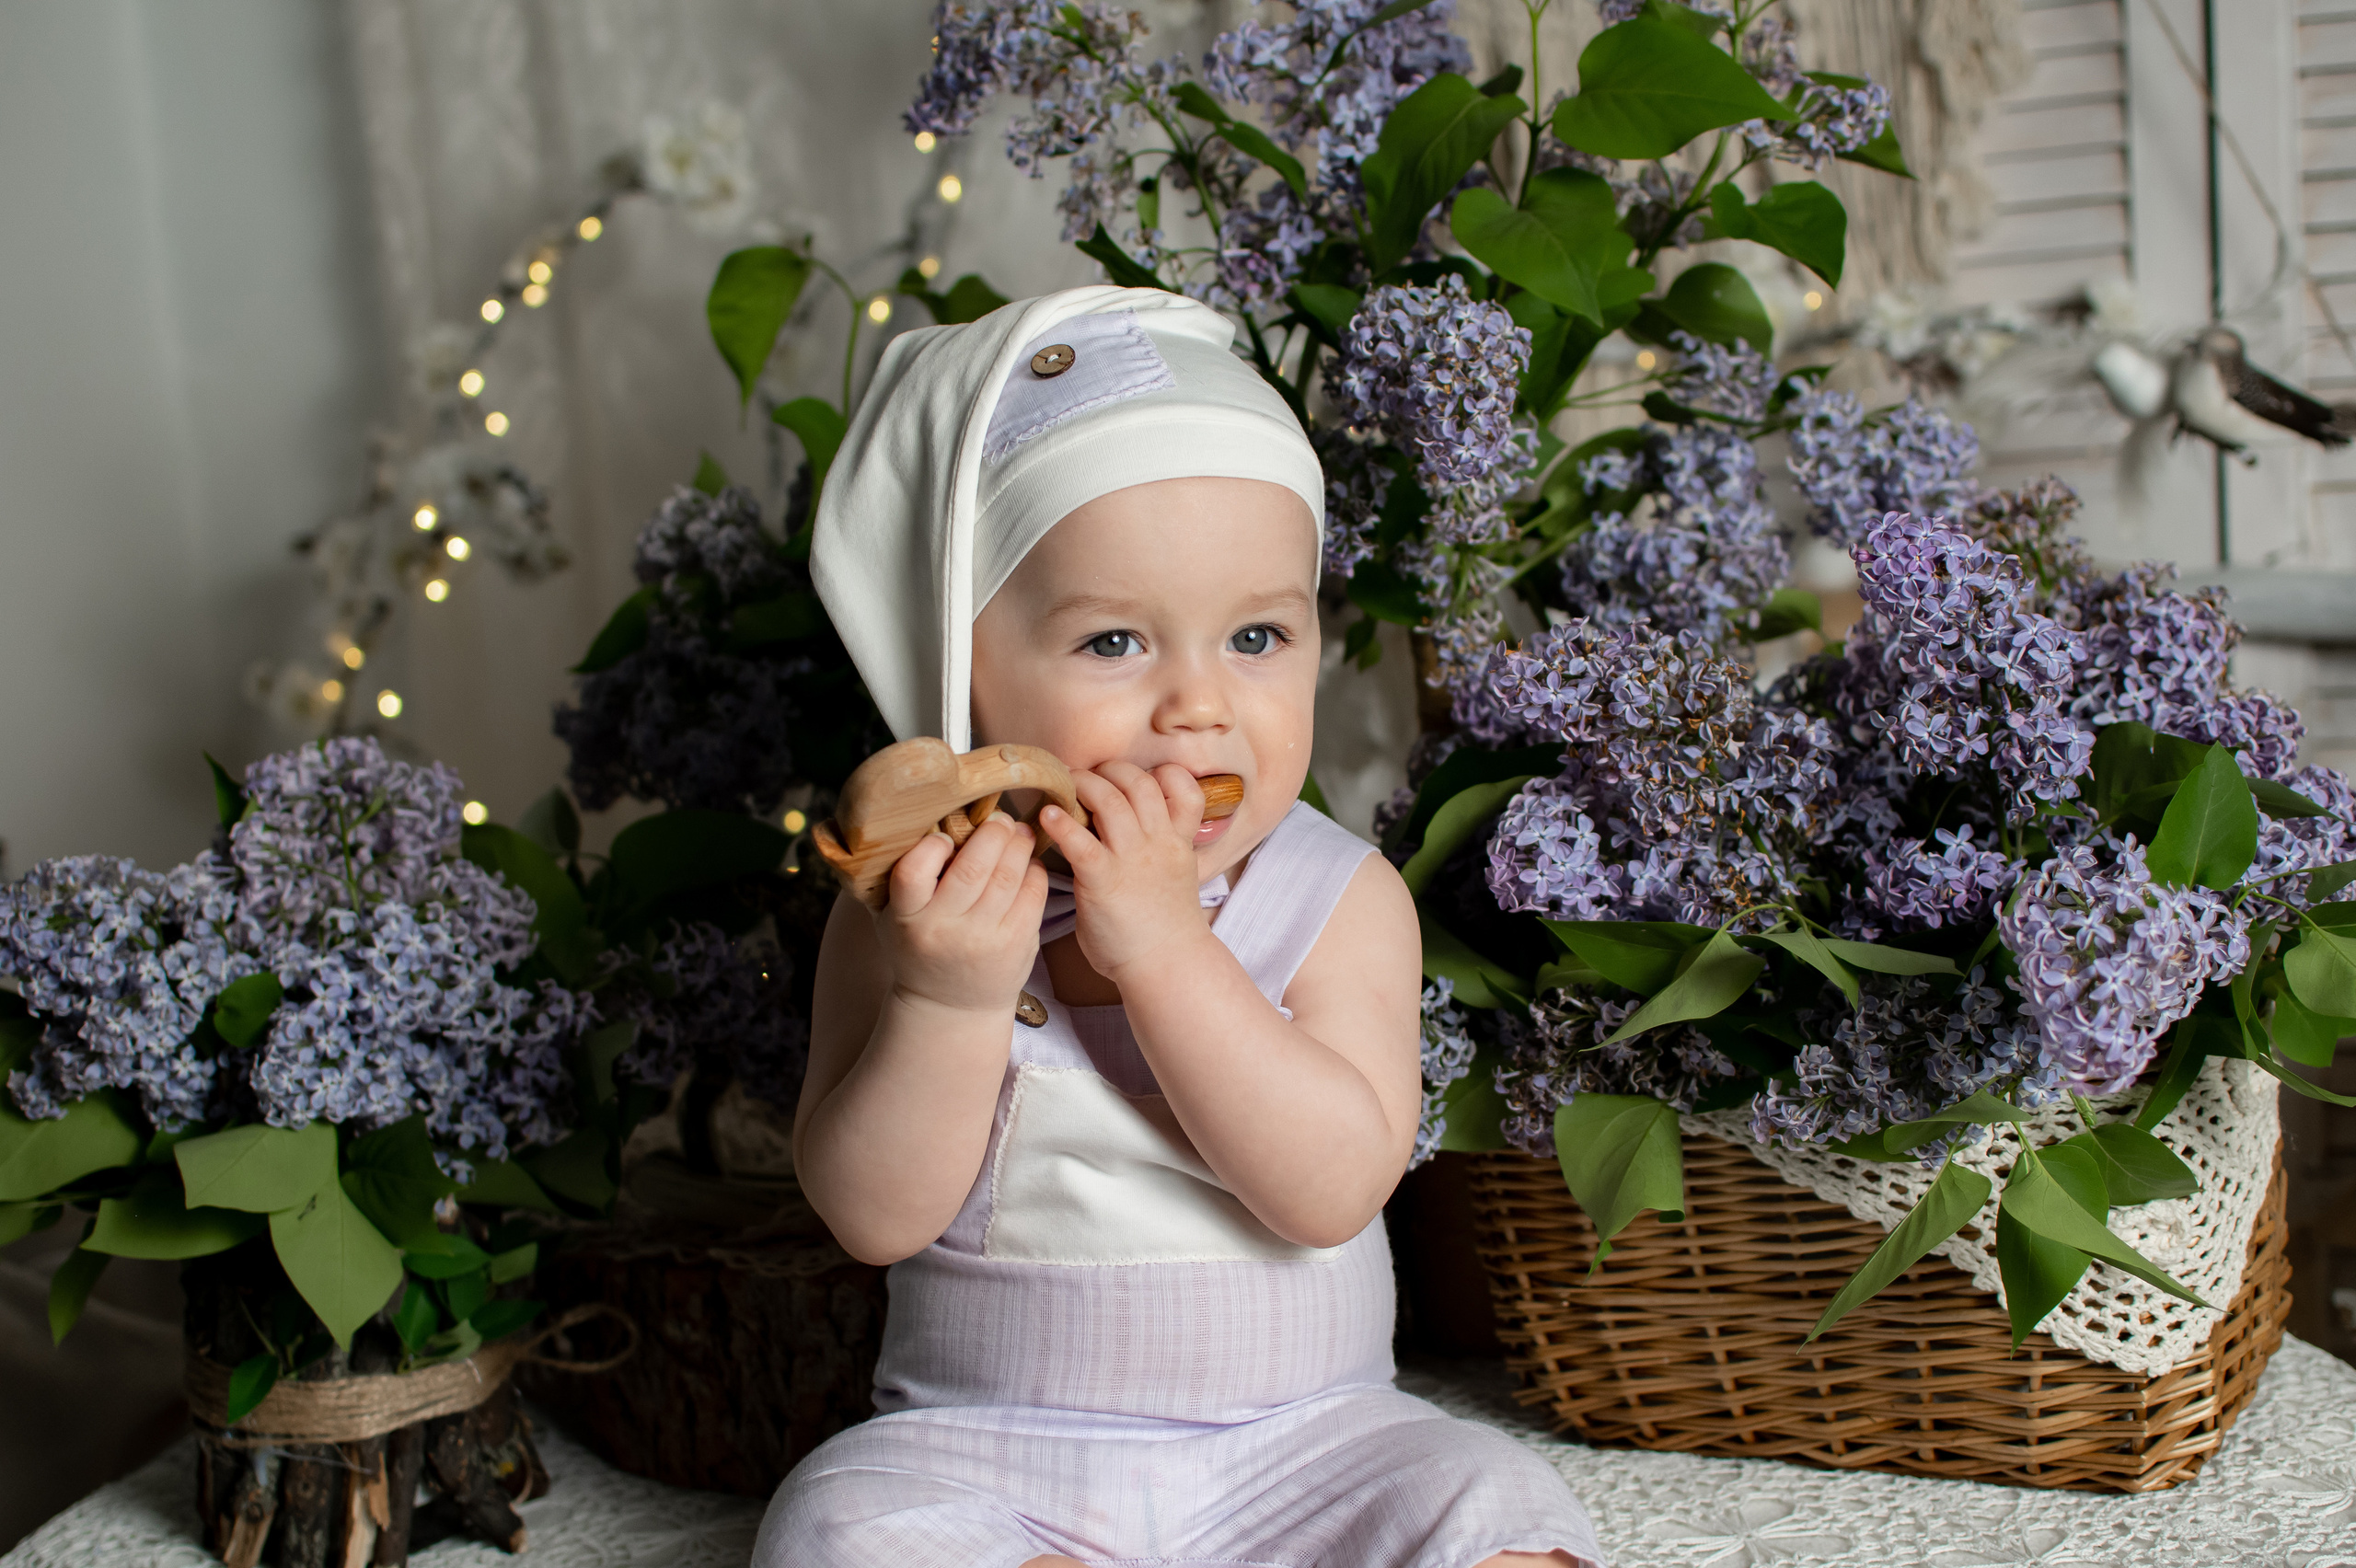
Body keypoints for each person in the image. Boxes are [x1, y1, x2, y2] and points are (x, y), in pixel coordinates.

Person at [756, 286, 1602, 1568]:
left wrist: (1164, 946)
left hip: (1311, 1443)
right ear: (963, 676)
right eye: (1113, 642)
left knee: (1489, 1502)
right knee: (837, 1525)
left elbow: (1331, 1189)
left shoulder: (1337, 899)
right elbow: (873, 1216)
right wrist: (949, 1002)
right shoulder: (919, 912)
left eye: (1259, 634)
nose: (1201, 707)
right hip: (991, 1452)